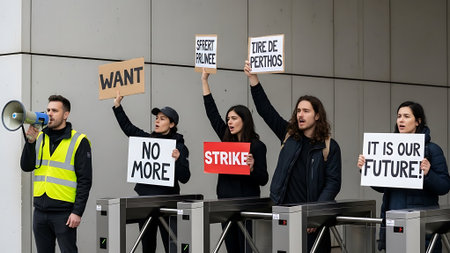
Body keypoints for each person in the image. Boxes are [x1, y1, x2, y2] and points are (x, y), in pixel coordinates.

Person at [244, 61, 342, 252]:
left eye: (306, 111)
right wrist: (253, 79)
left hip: (312, 217)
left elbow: (333, 183)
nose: (300, 115)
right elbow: (266, 110)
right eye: (298, 111)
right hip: (285, 213)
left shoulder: (329, 146)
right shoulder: (289, 135)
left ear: (317, 116)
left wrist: (316, 214)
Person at [357, 101, 450, 252]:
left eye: (406, 116)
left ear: (418, 121)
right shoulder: (388, 149)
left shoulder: (433, 150)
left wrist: (428, 174)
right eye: (399, 116)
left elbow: (444, 186)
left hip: (420, 222)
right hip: (393, 217)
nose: (401, 120)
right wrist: (367, 169)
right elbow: (381, 187)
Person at [113, 91, 190, 253]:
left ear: (172, 124)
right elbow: (128, 128)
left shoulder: (179, 147)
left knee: (173, 245)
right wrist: (117, 106)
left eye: (162, 119)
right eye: (156, 118)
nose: (157, 121)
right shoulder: (148, 140)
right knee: (147, 245)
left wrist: (177, 160)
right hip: (145, 201)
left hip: (168, 203)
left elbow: (185, 177)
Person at [201, 69, 269, 253]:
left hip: (247, 204)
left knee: (246, 248)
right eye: (228, 119)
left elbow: (263, 178)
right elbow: (212, 114)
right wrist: (204, 81)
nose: (229, 122)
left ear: (244, 120)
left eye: (234, 118)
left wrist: (252, 168)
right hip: (225, 203)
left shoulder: (257, 146)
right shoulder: (225, 142)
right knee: (231, 248)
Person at [20, 95, 92, 253]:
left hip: (64, 214)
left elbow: (85, 180)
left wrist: (77, 212)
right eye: (48, 110)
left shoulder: (79, 141)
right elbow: (26, 166)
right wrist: (30, 143)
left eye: (54, 110)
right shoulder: (39, 136)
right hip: (40, 212)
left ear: (66, 114)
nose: (49, 114)